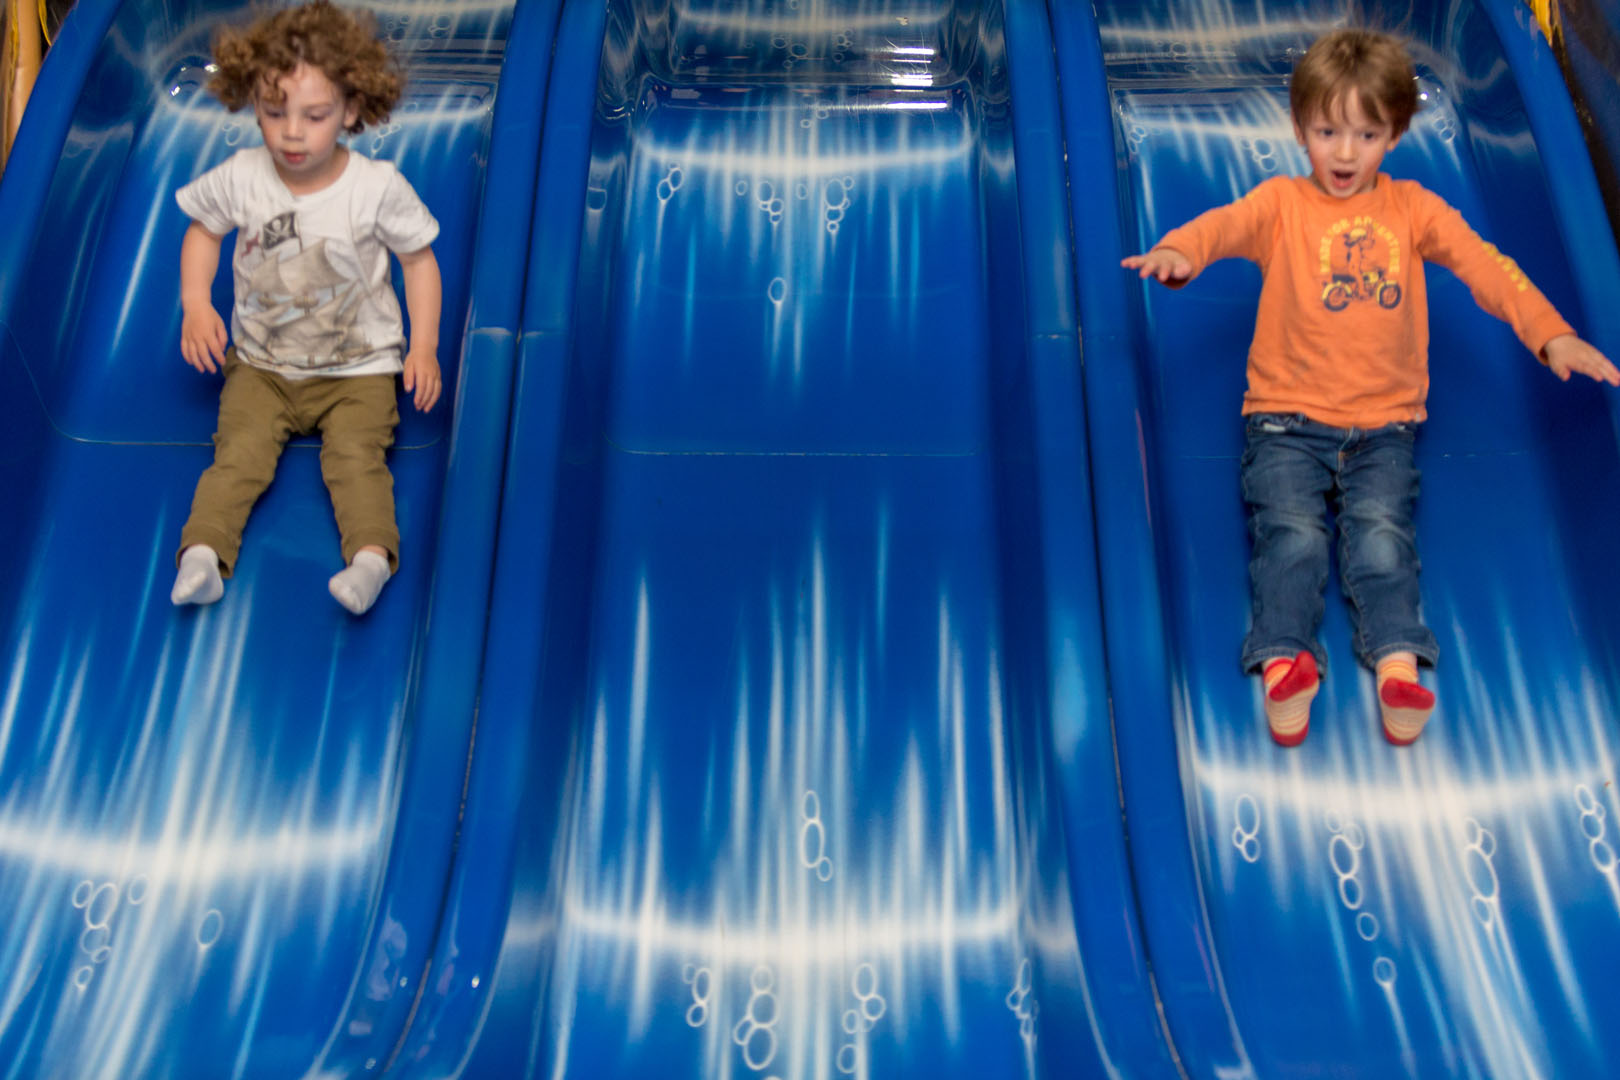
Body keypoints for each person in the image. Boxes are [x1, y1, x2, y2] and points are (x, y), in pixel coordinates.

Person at [1121, 28, 1619, 746]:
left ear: (1395, 133)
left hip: (1385, 425)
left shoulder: (1414, 210)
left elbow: (1487, 267)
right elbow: (1221, 227)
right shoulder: (1282, 204)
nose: (1346, 152)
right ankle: (1286, 662)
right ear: (1300, 130)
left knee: (1383, 540)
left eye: (1366, 133)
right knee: (1289, 536)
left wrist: (1551, 332)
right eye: (1327, 131)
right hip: (1284, 422)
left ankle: (1396, 667)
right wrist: (1178, 251)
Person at [169, 0, 443, 616]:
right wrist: (194, 304)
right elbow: (203, 229)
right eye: (273, 112)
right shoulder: (243, 175)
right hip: (262, 366)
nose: (292, 132)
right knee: (235, 458)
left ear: (350, 109)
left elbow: (419, 262)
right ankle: (202, 558)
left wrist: (422, 347)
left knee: (355, 461)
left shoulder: (375, 188)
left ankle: (370, 560)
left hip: (358, 372)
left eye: (315, 116)